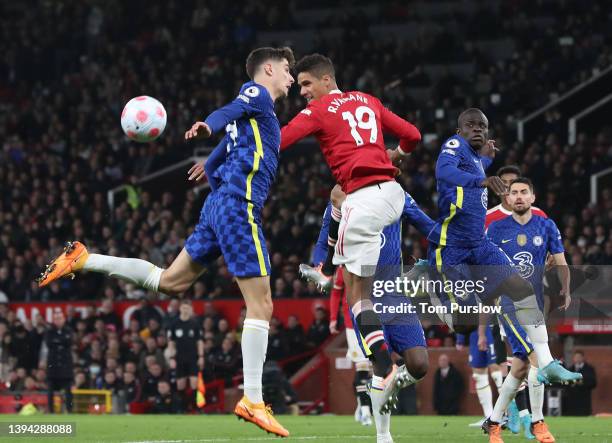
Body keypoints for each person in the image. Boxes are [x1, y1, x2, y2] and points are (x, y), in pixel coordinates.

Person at [36, 46, 295, 437]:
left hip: (217, 207)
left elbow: (231, 132)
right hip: (239, 206)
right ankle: (253, 400)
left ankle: (86, 259)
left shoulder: (260, 117)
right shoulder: (256, 94)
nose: (291, 77)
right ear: (270, 69)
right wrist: (207, 125)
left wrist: (209, 161)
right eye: (288, 70)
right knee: (262, 305)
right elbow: (228, 113)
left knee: (170, 282)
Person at [279, 53, 422, 421]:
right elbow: (413, 136)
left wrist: (248, 145)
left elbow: (282, 140)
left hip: (362, 199)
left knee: (356, 294)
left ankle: (381, 365)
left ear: (327, 81)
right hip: (392, 193)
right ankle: (326, 268)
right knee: (362, 277)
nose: (304, 92)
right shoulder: (368, 101)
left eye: (307, 83)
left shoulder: (321, 110)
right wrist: (398, 154)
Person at [422, 109, 582, 438]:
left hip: (477, 244)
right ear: (459, 128)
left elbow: (473, 172)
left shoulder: (476, 160)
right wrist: (481, 176)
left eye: (482, 126)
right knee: (464, 322)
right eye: (471, 125)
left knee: (521, 287)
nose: (478, 130)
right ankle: (428, 283)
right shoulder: (453, 147)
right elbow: (444, 170)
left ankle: (548, 362)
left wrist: (485, 163)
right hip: (451, 248)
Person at [316, 187, 433, 442]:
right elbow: (326, 236)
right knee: (381, 364)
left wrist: (451, 243)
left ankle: (389, 385)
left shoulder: (397, 195)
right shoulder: (342, 198)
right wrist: (320, 265)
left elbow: (428, 226)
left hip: (394, 293)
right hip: (363, 298)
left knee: (419, 364)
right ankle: (383, 436)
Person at [485, 177, 573, 443]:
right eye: (514, 193)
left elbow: (560, 261)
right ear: (508, 199)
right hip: (507, 303)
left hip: (533, 303)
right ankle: (538, 423)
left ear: (533, 198)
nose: (519, 196)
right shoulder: (496, 229)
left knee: (521, 368)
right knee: (537, 359)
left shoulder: (546, 226)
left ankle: (493, 423)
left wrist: (566, 289)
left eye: (524, 192)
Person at [455, 328, 504, 428]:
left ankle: (508, 416)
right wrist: (461, 337)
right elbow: (462, 313)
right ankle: (489, 417)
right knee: (478, 374)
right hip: (474, 331)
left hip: (492, 326)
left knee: (497, 371)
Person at [166, 300, 204, 412]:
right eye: (184, 308)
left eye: (188, 308)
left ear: (191, 310)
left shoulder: (195, 324)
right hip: (179, 358)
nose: (185, 310)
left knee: (194, 383)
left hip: (192, 357)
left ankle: (195, 408)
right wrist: (172, 358)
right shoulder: (174, 324)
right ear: (180, 309)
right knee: (180, 385)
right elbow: (171, 343)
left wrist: (201, 357)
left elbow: (199, 342)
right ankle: (183, 408)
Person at [44, 309, 73, 413]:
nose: (58, 321)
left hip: (65, 366)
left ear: (64, 319)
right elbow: (49, 343)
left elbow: (69, 341)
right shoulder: (49, 331)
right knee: (50, 391)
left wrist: (58, 341)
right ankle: (51, 411)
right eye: (56, 319)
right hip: (53, 366)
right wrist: (61, 341)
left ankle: (70, 410)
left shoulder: (68, 330)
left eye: (60, 318)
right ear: (53, 320)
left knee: (68, 391)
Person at [563, 350, 597, 416]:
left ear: (583, 358)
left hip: (584, 400)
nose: (577, 359)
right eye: (576, 357)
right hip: (572, 400)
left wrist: (582, 383)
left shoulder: (589, 369)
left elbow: (594, 383)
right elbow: (565, 383)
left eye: (579, 357)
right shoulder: (570, 369)